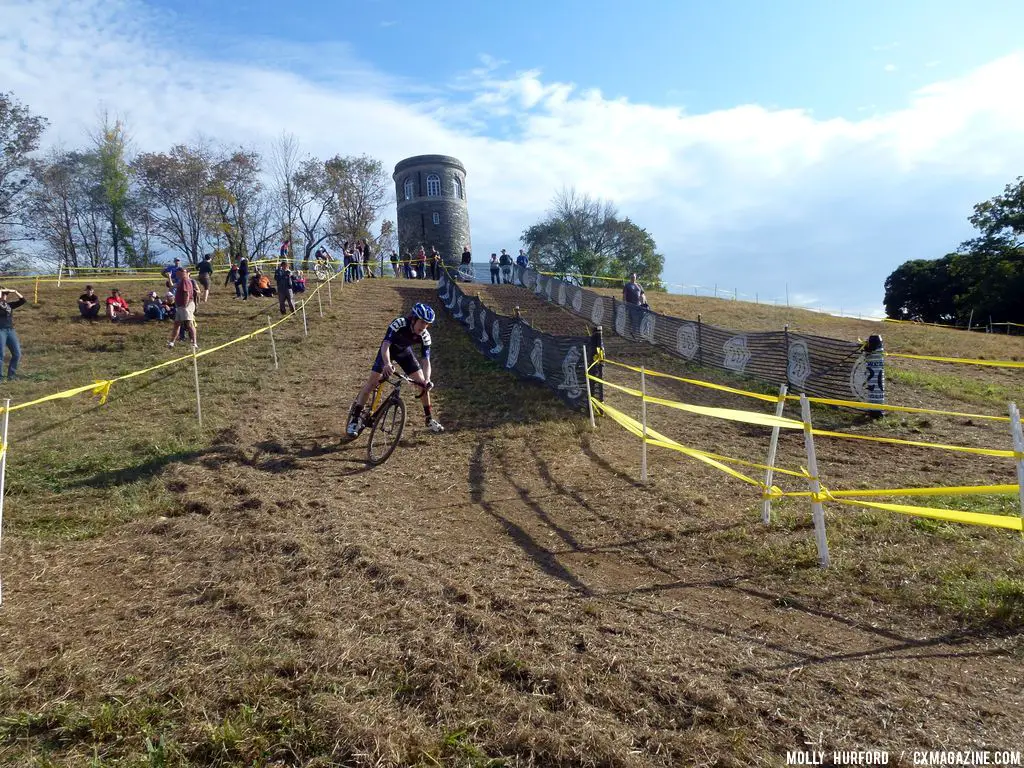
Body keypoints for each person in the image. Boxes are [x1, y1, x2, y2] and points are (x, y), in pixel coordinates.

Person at [346, 302, 444, 437]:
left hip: (404, 352)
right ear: (414, 319)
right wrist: (386, 363)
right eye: (422, 322)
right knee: (372, 383)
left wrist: (427, 379)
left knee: (422, 384)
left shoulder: (425, 335)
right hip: (388, 350)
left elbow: (426, 360)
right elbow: (386, 344)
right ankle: (355, 419)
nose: (424, 326)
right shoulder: (399, 323)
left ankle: (429, 419)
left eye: (427, 324)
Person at [167, 267, 198, 349]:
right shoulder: (180, 281)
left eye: (178, 273)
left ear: (183, 273)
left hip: (186, 305)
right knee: (177, 324)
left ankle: (194, 343)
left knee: (189, 324)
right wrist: (169, 277)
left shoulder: (185, 281)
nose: (177, 274)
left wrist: (185, 305)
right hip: (180, 306)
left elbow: (186, 294)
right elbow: (172, 286)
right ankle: (172, 342)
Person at [0, 288, 27, 381]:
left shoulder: (9, 305)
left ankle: (11, 376)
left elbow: (23, 301)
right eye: (3, 294)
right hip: (0, 331)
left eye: (6, 294)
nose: (5, 296)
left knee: (17, 354)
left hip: (10, 330)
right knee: (1, 355)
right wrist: (1, 291)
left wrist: (15, 291)